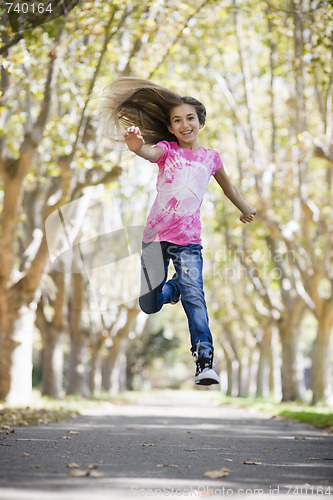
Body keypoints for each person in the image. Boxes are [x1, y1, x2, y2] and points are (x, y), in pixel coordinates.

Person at [101, 77, 256, 386]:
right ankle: (174, 288)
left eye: (190, 118)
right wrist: (136, 147)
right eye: (177, 120)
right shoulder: (167, 150)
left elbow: (229, 187)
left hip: (188, 242)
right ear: (170, 128)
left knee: (195, 296)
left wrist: (244, 207)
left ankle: (204, 360)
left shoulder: (210, 158)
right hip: (154, 238)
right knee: (149, 304)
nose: (184, 124)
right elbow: (150, 154)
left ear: (200, 122)